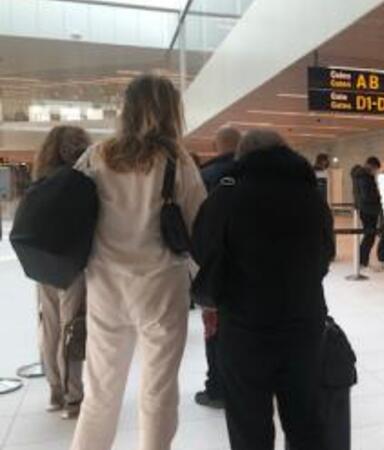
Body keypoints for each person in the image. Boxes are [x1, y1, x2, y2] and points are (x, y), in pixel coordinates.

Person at [70, 75, 206, 450]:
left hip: (105, 286)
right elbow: (199, 226)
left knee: (100, 391)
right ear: (170, 111)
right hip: (161, 288)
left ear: (126, 110)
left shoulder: (96, 156)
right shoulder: (177, 161)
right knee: (158, 390)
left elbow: (74, 211)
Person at [193, 129, 334, 450]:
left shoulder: (226, 195)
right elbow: (325, 254)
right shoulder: (311, 196)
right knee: (306, 420)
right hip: (304, 323)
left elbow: (203, 251)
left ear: (242, 157)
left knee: (249, 424)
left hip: (244, 327)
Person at [33, 125, 91, 419]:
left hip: (42, 262)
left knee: (50, 327)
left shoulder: (41, 179)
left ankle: (55, 391)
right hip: (72, 264)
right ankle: (73, 396)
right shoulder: (82, 180)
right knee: (72, 328)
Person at [194, 127, 240, 410]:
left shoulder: (204, 177)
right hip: (254, 270)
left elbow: (195, 226)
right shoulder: (256, 174)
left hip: (216, 271)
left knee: (215, 331)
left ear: (214, 146)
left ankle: (217, 388)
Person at [351, 156, 382, 268]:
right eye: (375, 168)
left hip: (366, 208)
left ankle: (363, 260)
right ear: (370, 165)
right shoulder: (365, 177)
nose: (375, 171)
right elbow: (367, 195)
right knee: (369, 236)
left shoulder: (360, 175)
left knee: (369, 236)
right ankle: (362, 261)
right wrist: (379, 197)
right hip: (368, 210)